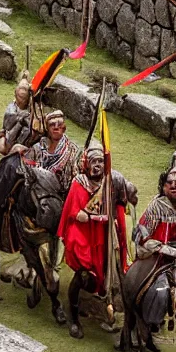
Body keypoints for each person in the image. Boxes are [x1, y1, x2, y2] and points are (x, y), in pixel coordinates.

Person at [57, 142, 132, 339]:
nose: (97, 165)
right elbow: (76, 214)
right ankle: (73, 318)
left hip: (105, 236)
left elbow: (129, 196)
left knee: (114, 271)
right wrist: (95, 218)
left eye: (100, 161)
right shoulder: (79, 183)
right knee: (83, 274)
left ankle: (112, 309)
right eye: (93, 162)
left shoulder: (110, 181)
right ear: (86, 164)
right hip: (83, 235)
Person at [23, 110, 82, 194]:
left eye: (59, 124)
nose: (56, 127)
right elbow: (26, 170)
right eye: (52, 125)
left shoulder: (72, 150)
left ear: (64, 128)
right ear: (47, 128)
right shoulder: (37, 148)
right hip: (37, 192)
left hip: (60, 194)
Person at [0, 71, 33, 155]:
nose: (22, 99)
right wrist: (20, 120)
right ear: (15, 95)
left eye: (24, 97)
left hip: (26, 140)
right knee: (3, 146)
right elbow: (8, 127)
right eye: (20, 96)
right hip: (11, 139)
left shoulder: (32, 108)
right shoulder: (11, 109)